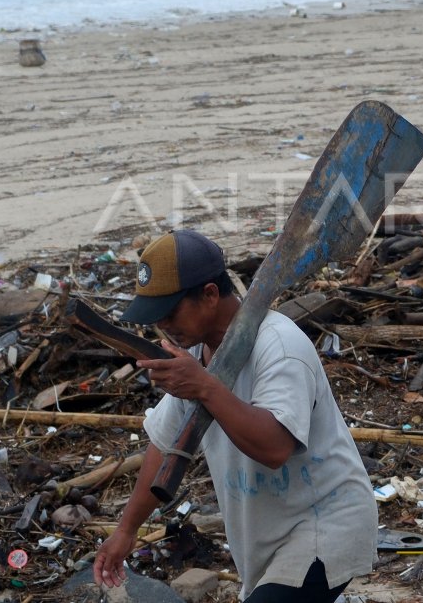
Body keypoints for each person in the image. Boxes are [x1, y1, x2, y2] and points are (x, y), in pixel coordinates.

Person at [92, 229, 377, 603]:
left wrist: (205, 388)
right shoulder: (195, 355)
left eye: (170, 312)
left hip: (324, 526)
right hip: (266, 538)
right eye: (155, 316)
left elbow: (275, 448)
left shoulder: (278, 344)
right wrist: (127, 530)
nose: (162, 325)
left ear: (209, 295)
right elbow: (164, 445)